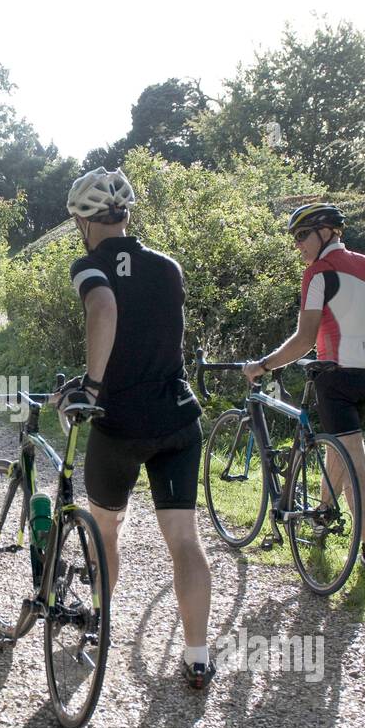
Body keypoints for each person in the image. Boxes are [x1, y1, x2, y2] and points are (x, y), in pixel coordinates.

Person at [59, 167, 216, 689]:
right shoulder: (168, 267)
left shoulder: (89, 267)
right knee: (184, 540)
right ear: (126, 217)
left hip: (119, 423)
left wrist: (92, 386)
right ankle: (197, 656)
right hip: (176, 418)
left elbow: (104, 307)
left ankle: (100, 627)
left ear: (84, 222)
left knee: (106, 529)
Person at [243, 203, 365, 576]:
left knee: (356, 465)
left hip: (334, 378)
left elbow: (303, 340)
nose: (298, 245)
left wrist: (263, 365)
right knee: (341, 450)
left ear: (327, 232)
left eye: (302, 236)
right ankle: (322, 516)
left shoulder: (318, 274)